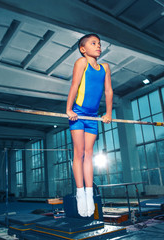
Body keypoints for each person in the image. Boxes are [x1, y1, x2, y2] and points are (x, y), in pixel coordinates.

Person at [66, 33, 113, 217]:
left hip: (93, 117)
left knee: (89, 154)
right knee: (78, 153)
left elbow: (108, 91)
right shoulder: (81, 62)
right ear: (83, 49)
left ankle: (89, 193)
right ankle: (80, 194)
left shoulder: (105, 67)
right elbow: (75, 85)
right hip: (78, 114)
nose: (98, 46)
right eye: (94, 43)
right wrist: (68, 109)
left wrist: (108, 113)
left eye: (100, 43)